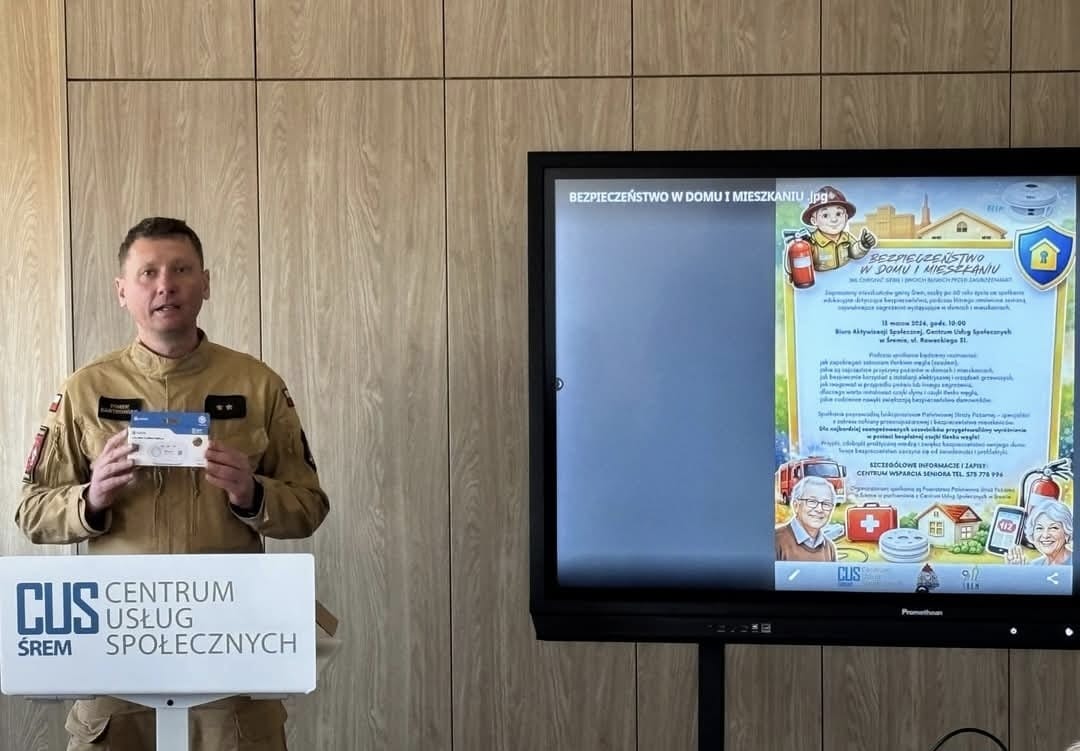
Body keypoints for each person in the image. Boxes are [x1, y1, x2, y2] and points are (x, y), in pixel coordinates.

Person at [16, 217, 331, 751]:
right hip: (118, 647)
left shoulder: (256, 384)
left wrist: (252, 494)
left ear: (205, 283)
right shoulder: (85, 390)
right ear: (122, 291)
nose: (166, 285)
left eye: (181, 270)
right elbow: (31, 512)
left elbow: (308, 506)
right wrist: (91, 499)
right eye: (148, 273)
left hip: (229, 646)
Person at [775, 476, 838, 562]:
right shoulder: (776, 540)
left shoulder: (829, 548)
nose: (819, 509)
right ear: (796, 506)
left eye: (826, 504)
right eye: (812, 501)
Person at [1006, 499, 1073, 566]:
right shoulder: (1033, 565)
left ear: (1067, 533)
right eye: (1039, 528)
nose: (1045, 535)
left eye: (1053, 528)